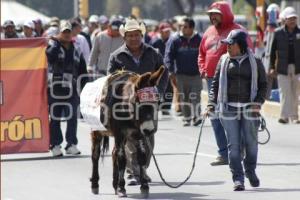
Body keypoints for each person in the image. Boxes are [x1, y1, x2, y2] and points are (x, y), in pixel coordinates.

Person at [107, 18, 168, 185]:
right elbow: (110, 80)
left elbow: (164, 74)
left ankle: (142, 168)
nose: (134, 38)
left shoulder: (153, 53)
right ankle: (132, 172)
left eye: (136, 35)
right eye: (130, 35)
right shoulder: (116, 56)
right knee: (131, 139)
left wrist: (159, 92)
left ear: (142, 35)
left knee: (148, 137)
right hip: (126, 107)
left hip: (148, 105)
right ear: (124, 37)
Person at [207, 29, 267, 191]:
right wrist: (211, 103)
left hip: (249, 110)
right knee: (233, 146)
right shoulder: (223, 60)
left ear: (240, 45)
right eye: (226, 44)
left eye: (230, 44)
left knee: (251, 145)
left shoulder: (255, 61)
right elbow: (215, 85)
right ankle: (238, 179)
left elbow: (263, 85)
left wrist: (258, 102)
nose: (227, 47)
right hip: (228, 109)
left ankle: (250, 170)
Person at [198, 1, 252, 166]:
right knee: (214, 116)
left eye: (216, 14)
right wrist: (202, 68)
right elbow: (201, 53)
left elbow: (248, 54)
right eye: (211, 14)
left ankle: (239, 150)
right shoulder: (208, 32)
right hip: (211, 80)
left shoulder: (238, 32)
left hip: (232, 80)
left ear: (225, 14)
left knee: (233, 116)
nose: (213, 17)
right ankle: (223, 154)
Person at [46, 21, 88, 156]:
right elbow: (50, 58)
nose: (67, 35)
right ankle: (55, 145)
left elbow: (83, 70)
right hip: (55, 89)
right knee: (55, 118)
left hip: (72, 89)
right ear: (60, 33)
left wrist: (84, 88)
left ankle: (71, 144)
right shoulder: (53, 46)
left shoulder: (77, 49)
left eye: (69, 32)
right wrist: (57, 43)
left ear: (72, 34)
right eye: (64, 32)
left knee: (72, 118)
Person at [164, 17, 203, 126]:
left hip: (196, 74)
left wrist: (204, 68)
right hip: (180, 75)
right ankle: (187, 117)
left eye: (185, 27)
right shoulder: (175, 40)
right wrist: (170, 70)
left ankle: (196, 116)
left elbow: (205, 55)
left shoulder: (200, 39)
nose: (182, 28)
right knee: (184, 97)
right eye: (181, 26)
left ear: (192, 28)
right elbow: (168, 56)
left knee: (195, 96)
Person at [270, 7, 300, 124]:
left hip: (298, 67)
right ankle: (284, 116)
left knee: (296, 92)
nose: (292, 20)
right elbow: (272, 52)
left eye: (294, 18)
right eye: (290, 18)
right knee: (285, 92)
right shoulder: (277, 33)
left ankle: (295, 116)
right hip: (283, 67)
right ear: (285, 20)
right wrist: (272, 67)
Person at [150, 22, 173, 115]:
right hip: (157, 69)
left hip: (169, 68)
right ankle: (157, 104)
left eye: (168, 31)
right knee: (157, 87)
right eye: (165, 31)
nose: (167, 33)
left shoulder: (172, 41)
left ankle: (166, 107)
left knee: (169, 88)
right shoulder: (155, 42)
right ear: (160, 31)